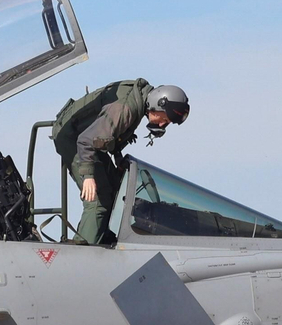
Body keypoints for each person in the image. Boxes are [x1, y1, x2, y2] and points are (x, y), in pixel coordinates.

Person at [52, 81, 189, 245]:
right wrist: (88, 176)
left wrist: (117, 158)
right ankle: (82, 254)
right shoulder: (124, 110)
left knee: (116, 189)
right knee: (98, 200)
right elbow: (86, 141)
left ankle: (100, 238)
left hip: (88, 141)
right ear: (158, 104)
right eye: (164, 119)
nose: (161, 125)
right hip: (73, 140)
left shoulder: (138, 102)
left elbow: (109, 135)